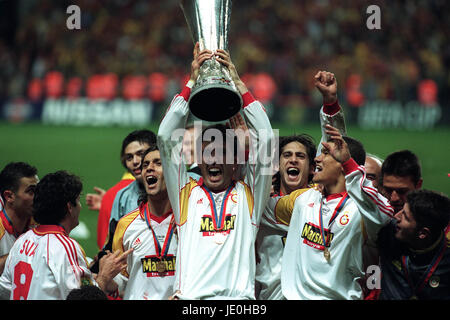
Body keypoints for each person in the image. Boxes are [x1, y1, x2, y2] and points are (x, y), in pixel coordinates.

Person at [158, 43, 274, 299]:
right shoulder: (184, 195)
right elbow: (166, 137)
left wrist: (236, 81)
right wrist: (192, 82)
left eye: (221, 152)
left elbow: (265, 139)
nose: (213, 159)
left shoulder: (250, 197)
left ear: (234, 160)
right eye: (207, 152)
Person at [270, 124, 392, 300]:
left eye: (325, 154)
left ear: (343, 163)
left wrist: (351, 166)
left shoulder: (362, 212)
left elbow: (386, 211)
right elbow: (259, 205)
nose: (317, 159)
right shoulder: (304, 199)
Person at [255, 70, 346, 300]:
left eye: (300, 156)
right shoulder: (263, 204)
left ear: (312, 166)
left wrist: (330, 102)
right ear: (278, 164)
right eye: (286, 155)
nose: (293, 159)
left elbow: (333, 147)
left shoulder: (320, 202)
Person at [0, 170, 132, 300]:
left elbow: (5, 290)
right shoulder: (66, 247)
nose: (80, 206)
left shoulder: (21, 241)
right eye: (78, 200)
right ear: (69, 207)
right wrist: (104, 276)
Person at [112, 146, 176, 299]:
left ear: (173, 172)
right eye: (145, 165)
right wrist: (109, 281)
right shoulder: (126, 225)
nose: (149, 168)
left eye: (157, 163)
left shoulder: (187, 222)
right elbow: (123, 278)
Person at [376, 189, 450, 299]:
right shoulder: (388, 232)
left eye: (405, 216)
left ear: (423, 233)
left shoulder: (447, 263)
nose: (396, 216)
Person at [102, 129, 157, 252]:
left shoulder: (178, 190)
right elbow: (113, 242)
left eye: (140, 154)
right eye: (129, 157)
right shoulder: (122, 196)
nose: (135, 161)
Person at [0, 162, 39, 274]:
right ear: (9, 196)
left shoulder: (40, 225)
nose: (37, 197)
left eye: (38, 191)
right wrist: (20, 251)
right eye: (31, 191)